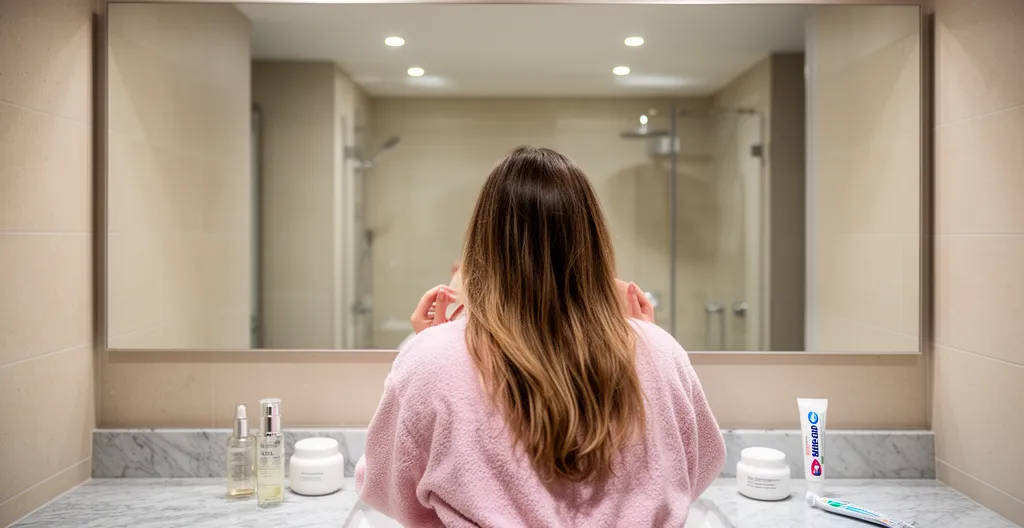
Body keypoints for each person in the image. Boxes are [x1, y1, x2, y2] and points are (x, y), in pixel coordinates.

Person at [356, 147, 725, 527]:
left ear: (484, 243)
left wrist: (432, 350)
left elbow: (387, 491)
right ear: (593, 241)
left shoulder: (430, 359)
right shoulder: (661, 350)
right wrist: (645, 343)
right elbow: (697, 469)